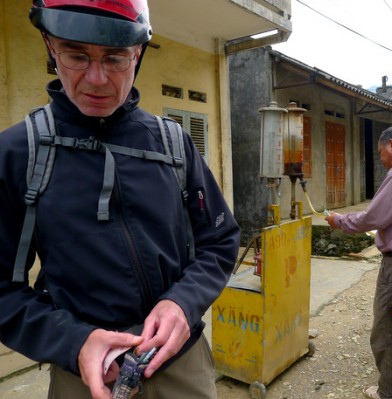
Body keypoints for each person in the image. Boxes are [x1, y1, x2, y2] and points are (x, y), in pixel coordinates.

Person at [0, 1, 240, 399]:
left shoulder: (172, 143)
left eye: (115, 58)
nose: (96, 79)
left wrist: (183, 303)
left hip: (182, 367)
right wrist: (74, 342)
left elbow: (220, 240)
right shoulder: (17, 153)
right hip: (86, 378)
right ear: (49, 47)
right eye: (76, 55)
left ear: (138, 54)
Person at [326, 125, 392, 399]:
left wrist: (339, 221)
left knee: (386, 328)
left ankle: (388, 391)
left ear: (391, 145)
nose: (381, 159)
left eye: (380, 152)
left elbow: (374, 217)